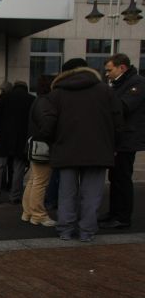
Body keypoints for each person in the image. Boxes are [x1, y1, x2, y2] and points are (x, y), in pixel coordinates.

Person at [40, 58, 122, 242]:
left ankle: (66, 229)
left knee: (66, 193)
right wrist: (113, 145)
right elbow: (118, 122)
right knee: (91, 194)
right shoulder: (106, 91)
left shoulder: (57, 94)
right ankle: (87, 231)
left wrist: (54, 142)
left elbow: (47, 125)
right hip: (98, 150)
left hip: (65, 148)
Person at [99, 53, 145, 229]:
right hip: (118, 138)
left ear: (122, 68)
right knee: (115, 177)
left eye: (109, 70)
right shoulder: (120, 83)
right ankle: (114, 212)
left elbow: (123, 106)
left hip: (127, 139)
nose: (107, 74)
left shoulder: (137, 83)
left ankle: (123, 217)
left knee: (122, 178)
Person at [0, 81, 34, 204]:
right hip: (21, 138)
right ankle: (15, 196)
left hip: (3, 138)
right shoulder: (31, 99)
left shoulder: (4, 97)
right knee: (18, 168)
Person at [21, 74, 56, 226]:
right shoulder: (45, 102)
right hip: (42, 146)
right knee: (40, 181)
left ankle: (28, 212)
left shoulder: (39, 100)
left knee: (34, 180)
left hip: (35, 144)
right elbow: (46, 127)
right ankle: (38, 214)